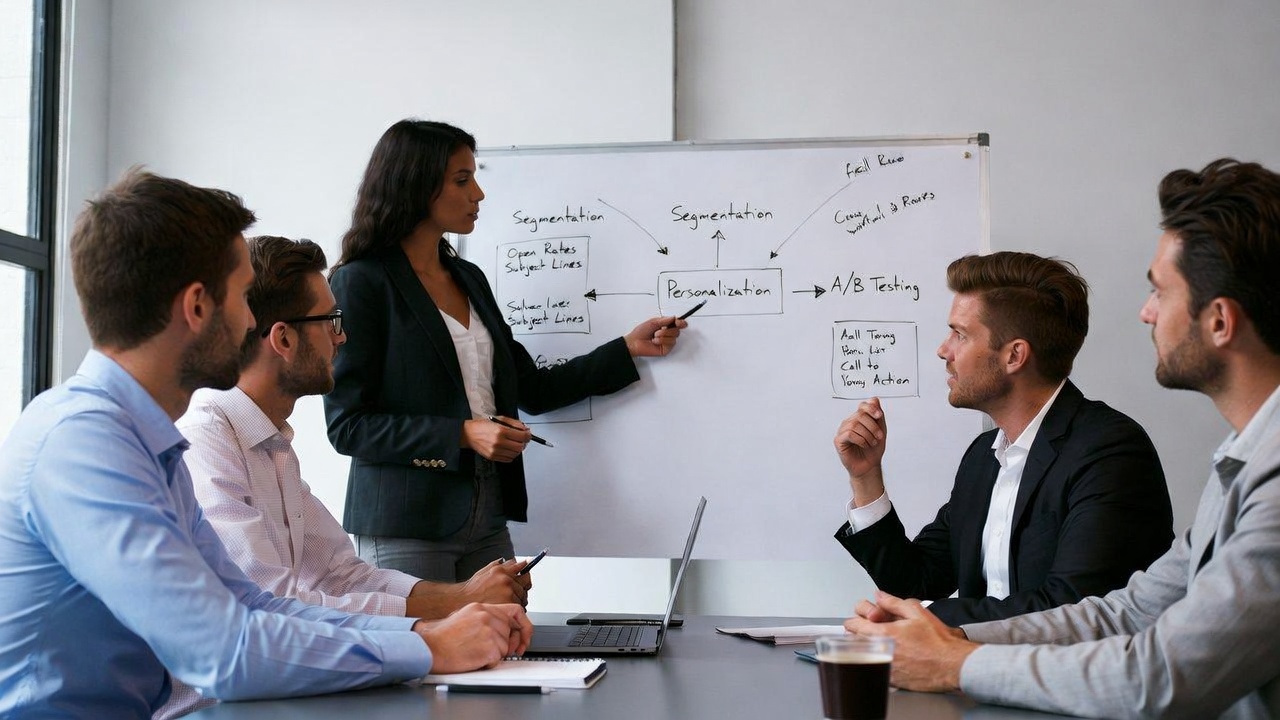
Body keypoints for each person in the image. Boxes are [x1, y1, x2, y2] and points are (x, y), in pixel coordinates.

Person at [0, 169, 530, 718]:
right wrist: (426, 646)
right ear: (198, 306)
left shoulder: (146, 442)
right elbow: (223, 650)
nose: (252, 319)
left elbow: (254, 604)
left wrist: (425, 633)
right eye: (241, 298)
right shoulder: (86, 445)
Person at [845, 158, 1280, 719]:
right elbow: (1121, 613)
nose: (1146, 313)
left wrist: (956, 662)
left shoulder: (1133, 453)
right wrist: (941, 640)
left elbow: (1159, 677)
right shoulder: (1241, 465)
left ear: (1219, 321)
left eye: (1160, 292)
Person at [159, 235, 538, 718]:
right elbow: (269, 605)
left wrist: (460, 600)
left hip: (278, 694)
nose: (342, 337)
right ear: (283, 339)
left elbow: (341, 573)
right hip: (219, 708)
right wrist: (439, 623)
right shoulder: (205, 441)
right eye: (332, 321)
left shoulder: (272, 442)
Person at [325, 119, 686, 582]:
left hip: (488, 510)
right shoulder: (360, 282)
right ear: (414, 185)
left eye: (474, 177)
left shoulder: (468, 277)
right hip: (406, 522)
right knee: (424, 652)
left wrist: (626, 350)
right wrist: (462, 434)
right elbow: (348, 426)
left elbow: (531, 388)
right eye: (461, 180)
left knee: (502, 649)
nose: (478, 193)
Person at [833, 251, 1173, 625]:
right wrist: (866, 478)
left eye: (959, 334)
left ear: (1014, 356)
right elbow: (918, 581)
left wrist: (918, 617)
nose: (943, 350)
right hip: (972, 677)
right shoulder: (983, 456)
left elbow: (1069, 610)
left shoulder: (1111, 454)